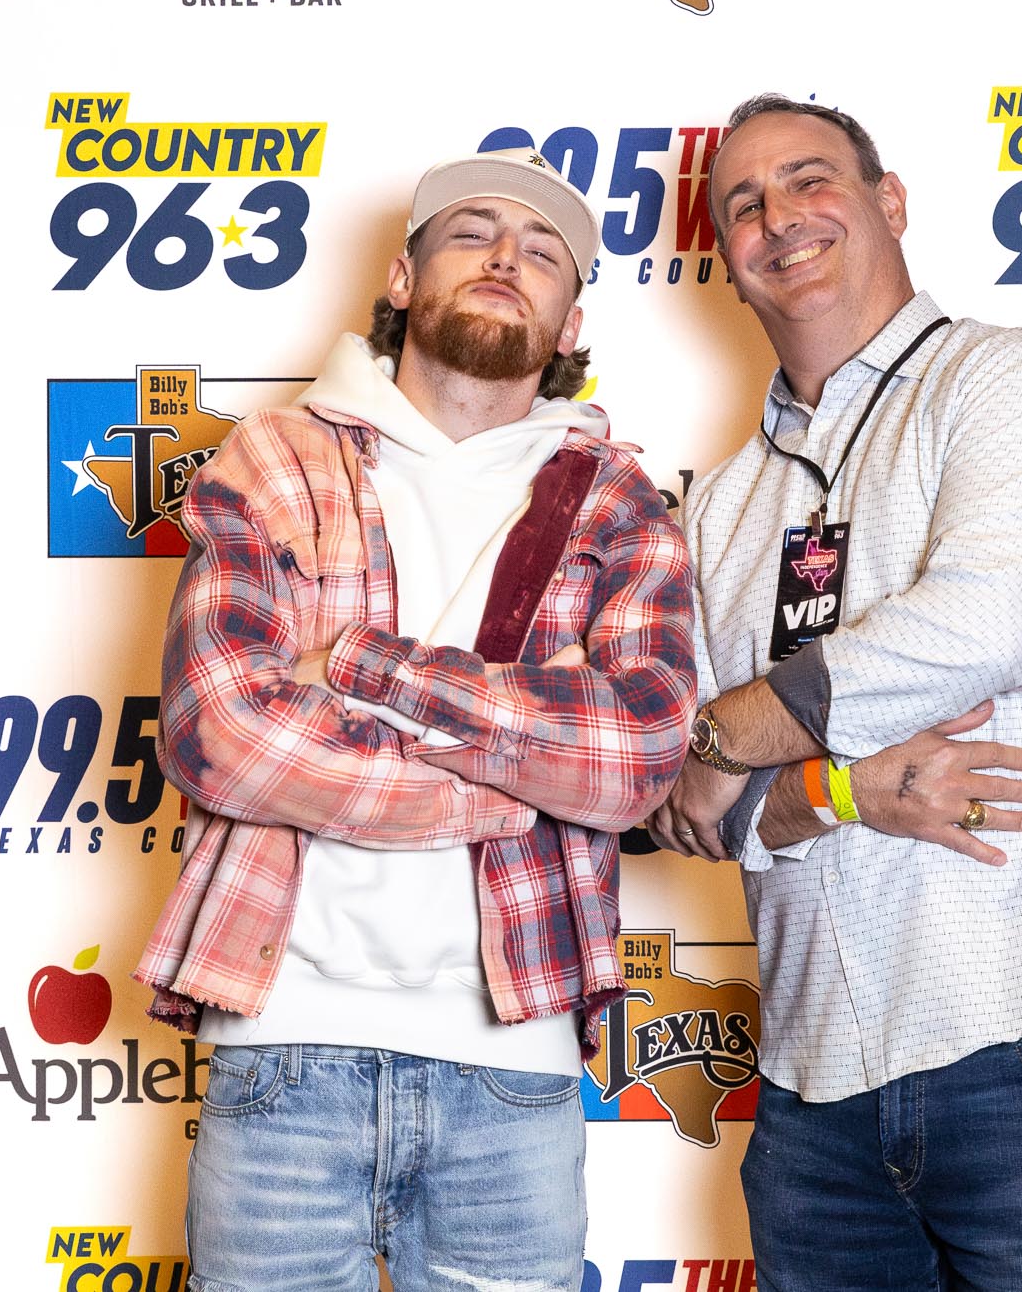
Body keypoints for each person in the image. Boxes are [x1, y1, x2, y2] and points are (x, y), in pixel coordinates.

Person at [135, 147, 696, 1292]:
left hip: (511, 1068)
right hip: (282, 1050)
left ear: (570, 318)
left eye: (541, 253)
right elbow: (220, 731)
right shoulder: (278, 457)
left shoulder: (614, 500)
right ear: (401, 278)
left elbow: (635, 753)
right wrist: (502, 780)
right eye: (471, 234)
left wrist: (359, 665)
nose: (505, 258)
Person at [649, 95, 1022, 1292]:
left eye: (810, 180)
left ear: (887, 202)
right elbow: (684, 800)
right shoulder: (718, 506)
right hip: (810, 1094)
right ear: (726, 258)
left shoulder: (1008, 380)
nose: (781, 217)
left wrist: (733, 732)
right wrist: (835, 788)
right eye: (744, 204)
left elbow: (984, 625)